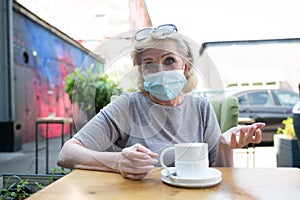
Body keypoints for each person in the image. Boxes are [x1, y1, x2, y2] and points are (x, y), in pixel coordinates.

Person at [57, 24, 265, 180]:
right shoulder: (127, 106)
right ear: (141, 71)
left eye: (169, 60)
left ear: (185, 66)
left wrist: (223, 146)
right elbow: (67, 153)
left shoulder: (201, 107)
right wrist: (118, 161)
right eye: (149, 64)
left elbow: (219, 173)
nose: (160, 71)